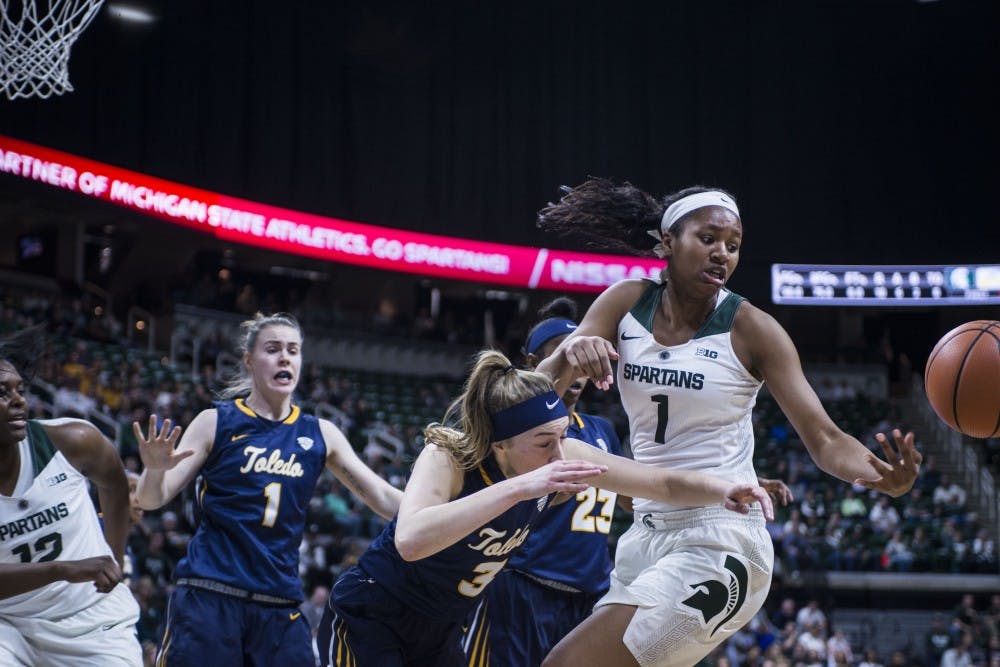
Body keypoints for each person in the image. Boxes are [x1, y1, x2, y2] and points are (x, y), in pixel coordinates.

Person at [533, 178, 922, 667]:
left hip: (722, 536)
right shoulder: (625, 300)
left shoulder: (753, 328)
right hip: (644, 535)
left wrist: (877, 474)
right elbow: (533, 398)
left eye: (733, 245)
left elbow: (824, 439)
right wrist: (571, 350)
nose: (722, 254)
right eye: (709, 239)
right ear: (668, 242)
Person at [316, 349, 773, 667]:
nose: (559, 454)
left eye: (561, 436)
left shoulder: (558, 454)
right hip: (375, 611)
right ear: (501, 444)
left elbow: (659, 481)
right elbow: (411, 540)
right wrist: (521, 488)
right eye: (543, 443)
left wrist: (722, 488)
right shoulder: (448, 458)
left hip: (442, 625)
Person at [134, 312, 403, 666]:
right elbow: (151, 498)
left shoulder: (320, 433)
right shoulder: (216, 421)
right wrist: (153, 469)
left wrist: (455, 512)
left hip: (279, 605)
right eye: (272, 349)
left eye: (293, 350)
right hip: (210, 596)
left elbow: (382, 497)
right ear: (249, 361)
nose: (284, 358)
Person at [0, 327, 141, 666]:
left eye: (21, 389)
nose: (19, 400)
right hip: (9, 625)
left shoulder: (73, 440)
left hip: (90, 618)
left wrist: (114, 558)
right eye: (2, 393)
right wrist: (64, 568)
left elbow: (115, 486)